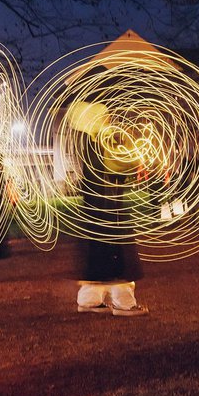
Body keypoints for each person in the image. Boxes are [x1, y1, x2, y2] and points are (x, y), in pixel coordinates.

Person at [67, 88, 148, 317]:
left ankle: (89, 299)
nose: (109, 119)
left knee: (97, 255)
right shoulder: (105, 142)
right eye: (105, 116)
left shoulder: (90, 143)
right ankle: (124, 303)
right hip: (110, 210)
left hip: (94, 211)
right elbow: (120, 167)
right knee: (118, 257)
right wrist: (133, 155)